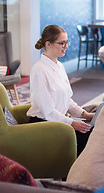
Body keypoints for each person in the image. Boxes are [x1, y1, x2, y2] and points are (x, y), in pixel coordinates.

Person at [27, 25, 94, 156]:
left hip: (58, 121)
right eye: (62, 43)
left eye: (66, 42)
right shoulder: (39, 70)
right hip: (43, 124)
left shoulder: (60, 66)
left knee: (93, 131)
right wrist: (72, 123)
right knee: (87, 136)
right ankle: (71, 174)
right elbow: (48, 111)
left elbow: (66, 99)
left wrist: (84, 114)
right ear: (48, 44)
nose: (66, 46)